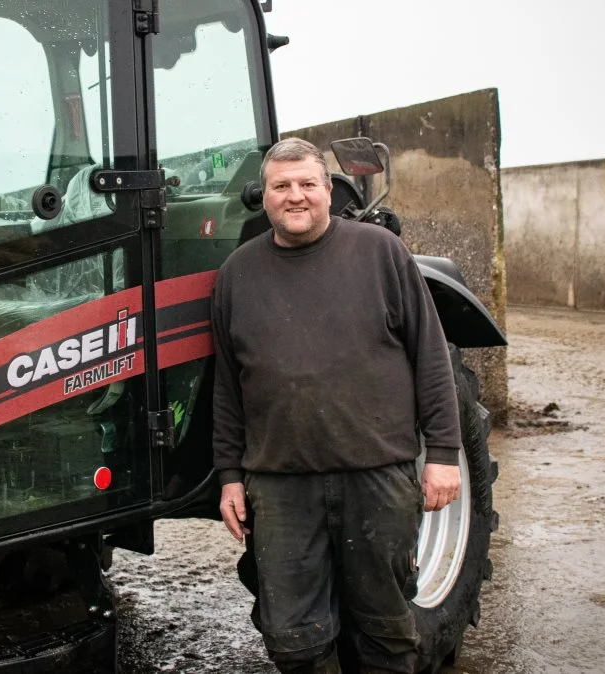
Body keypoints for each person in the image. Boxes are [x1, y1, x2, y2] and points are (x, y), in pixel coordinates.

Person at [210, 137, 462, 674]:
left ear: (329, 190)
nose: (295, 196)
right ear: (265, 197)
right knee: (293, 640)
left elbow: (431, 356)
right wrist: (230, 474)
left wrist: (443, 452)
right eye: (282, 186)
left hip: (375, 476)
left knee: (386, 633)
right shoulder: (237, 274)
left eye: (307, 184)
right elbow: (230, 388)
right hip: (279, 487)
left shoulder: (380, 253)